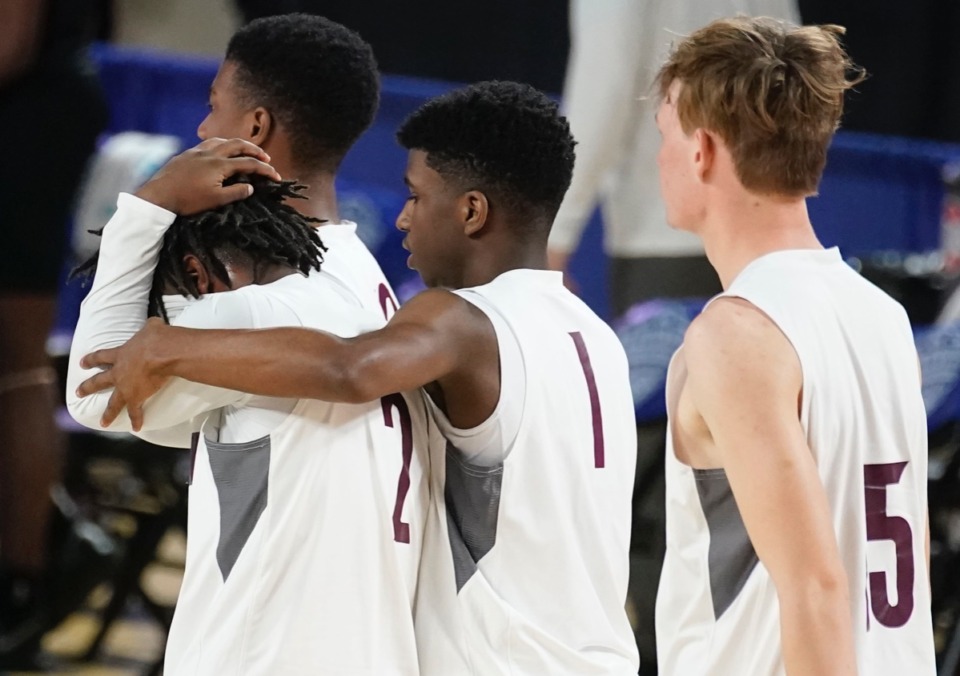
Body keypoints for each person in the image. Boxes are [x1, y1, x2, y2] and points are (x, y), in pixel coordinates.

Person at [76, 81, 641, 674]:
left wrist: (173, 346)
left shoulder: (461, 322)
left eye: (417, 198)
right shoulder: (596, 337)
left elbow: (351, 367)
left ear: (471, 212)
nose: (402, 219)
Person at [67, 146, 430, 673]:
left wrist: (145, 209)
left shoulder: (249, 313)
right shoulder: (357, 278)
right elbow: (157, 418)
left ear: (197, 275)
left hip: (266, 653)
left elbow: (93, 396)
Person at [650, 17, 936, 674]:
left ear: (702, 151)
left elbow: (816, 586)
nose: (658, 160)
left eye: (663, 137)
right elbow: (903, 562)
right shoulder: (882, 314)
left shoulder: (736, 332)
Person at [548, 0, 797, 316]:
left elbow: (604, 95)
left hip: (665, 242)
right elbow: (792, 67)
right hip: (764, 242)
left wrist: (552, 236)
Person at [0, 0, 111, 666]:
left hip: (25, 114)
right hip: (39, 105)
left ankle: (21, 578)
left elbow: (9, 40)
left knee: (13, 362)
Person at [196, 12, 399, 317]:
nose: (203, 130)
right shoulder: (359, 267)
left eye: (214, 107)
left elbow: (101, 359)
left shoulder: (259, 301)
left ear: (256, 128)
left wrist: (149, 206)